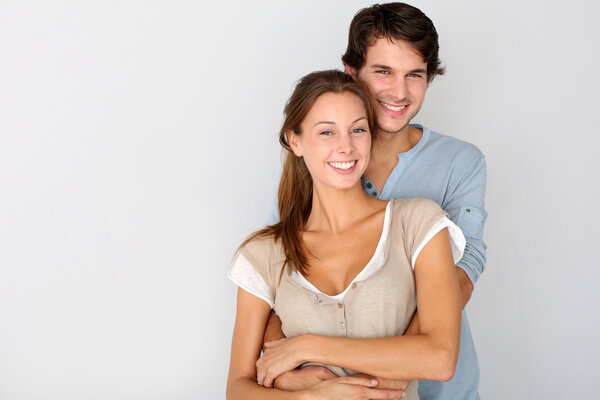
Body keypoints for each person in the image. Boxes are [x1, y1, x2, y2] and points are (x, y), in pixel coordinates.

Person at [264, 3, 487, 399]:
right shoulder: (322, 164)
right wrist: (285, 372)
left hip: (436, 389)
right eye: (383, 71)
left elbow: (463, 273)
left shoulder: (461, 163)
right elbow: (273, 287)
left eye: (414, 75)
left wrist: (391, 373)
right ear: (352, 73)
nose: (399, 92)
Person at [227, 70, 466, 400]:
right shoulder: (264, 253)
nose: (346, 147)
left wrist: (307, 347)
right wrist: (310, 397)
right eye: (327, 132)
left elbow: (440, 359)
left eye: (357, 130)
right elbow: (238, 389)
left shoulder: (418, 223)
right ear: (295, 140)